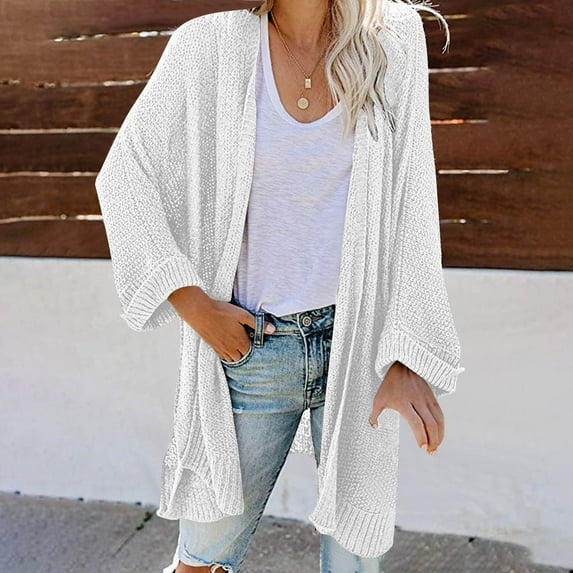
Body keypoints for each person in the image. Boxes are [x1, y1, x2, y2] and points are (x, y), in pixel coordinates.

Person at [95, 0, 464, 572]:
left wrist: (404, 355)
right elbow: (124, 176)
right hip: (252, 348)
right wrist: (193, 304)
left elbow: (412, 200)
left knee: (355, 562)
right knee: (202, 561)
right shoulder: (208, 46)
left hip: (358, 350)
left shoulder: (392, 38)